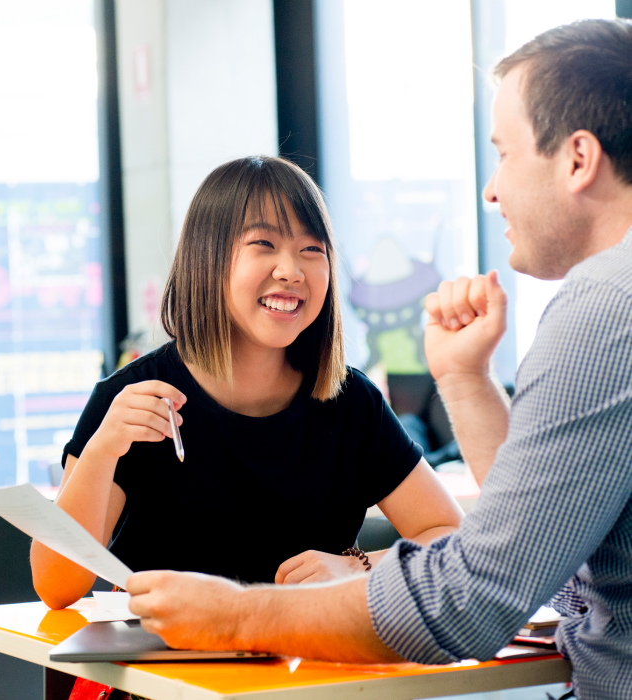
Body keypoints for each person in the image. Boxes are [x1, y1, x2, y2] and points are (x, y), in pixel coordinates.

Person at [125, 19, 632, 700]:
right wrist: (463, 377)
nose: (491, 190)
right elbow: (557, 545)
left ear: (578, 159)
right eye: (262, 247)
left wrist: (234, 616)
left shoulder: (604, 309)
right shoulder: (139, 389)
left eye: (505, 155)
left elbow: (476, 596)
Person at [30, 155, 462, 610]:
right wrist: (101, 450)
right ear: (208, 258)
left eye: (312, 249)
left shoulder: (351, 403)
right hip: (165, 674)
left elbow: (451, 537)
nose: (291, 269)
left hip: (313, 666)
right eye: (264, 243)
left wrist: (359, 567)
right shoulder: (133, 401)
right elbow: (56, 587)